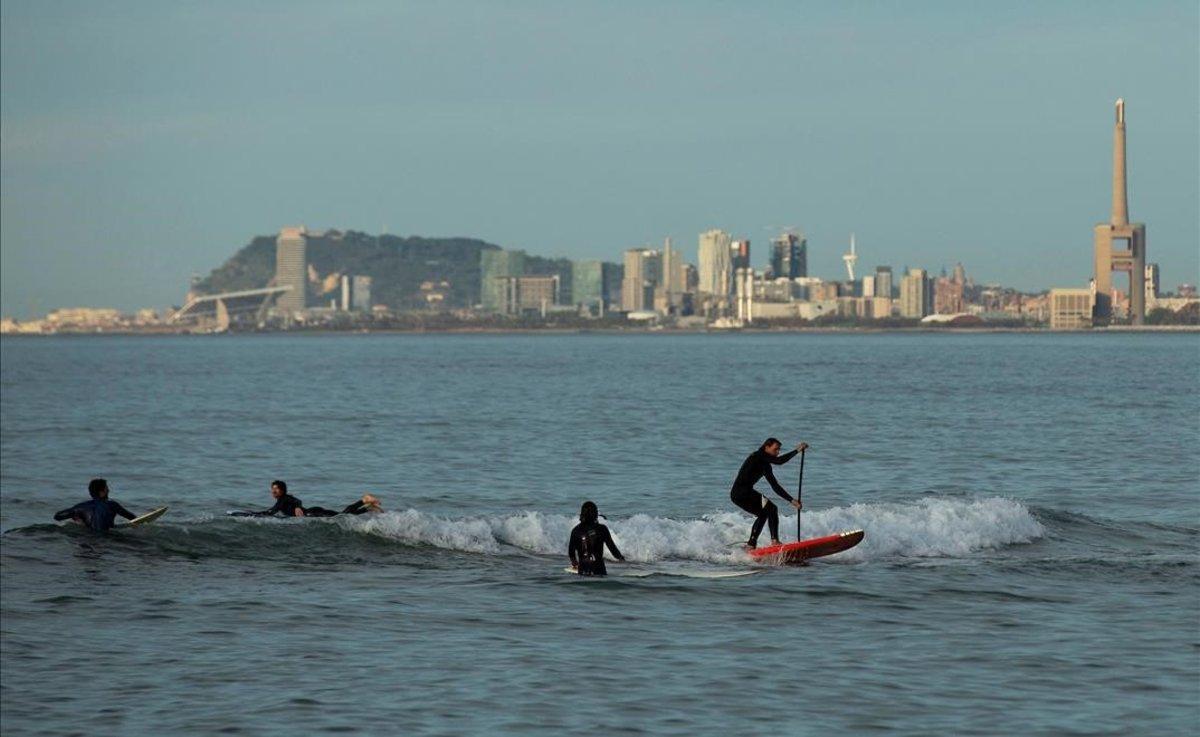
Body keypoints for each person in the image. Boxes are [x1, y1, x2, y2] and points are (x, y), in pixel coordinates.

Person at [730, 438, 808, 549]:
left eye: (779, 450)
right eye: (775, 449)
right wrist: (797, 450)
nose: (778, 452)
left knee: (763, 513)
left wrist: (792, 500)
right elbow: (780, 461)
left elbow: (775, 486)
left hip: (738, 494)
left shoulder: (766, 465)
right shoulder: (758, 455)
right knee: (772, 509)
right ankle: (774, 541)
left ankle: (751, 545)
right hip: (741, 492)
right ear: (766, 447)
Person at [53, 478, 137, 532]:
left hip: (88, 537)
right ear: (102, 492)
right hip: (108, 537)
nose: (109, 490)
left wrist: (75, 517)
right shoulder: (112, 505)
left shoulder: (80, 507)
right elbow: (133, 519)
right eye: (107, 489)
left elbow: (57, 516)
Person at [568, 501, 624, 576]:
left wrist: (575, 564)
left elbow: (571, 553)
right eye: (597, 512)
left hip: (583, 572)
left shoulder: (575, 531)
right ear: (595, 514)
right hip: (599, 570)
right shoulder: (602, 529)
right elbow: (613, 550)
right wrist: (623, 560)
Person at [304, 494, 384, 517]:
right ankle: (368, 508)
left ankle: (364, 500)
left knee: (342, 516)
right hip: (311, 512)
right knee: (344, 516)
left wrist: (297, 507)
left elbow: (294, 500)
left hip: (311, 513)